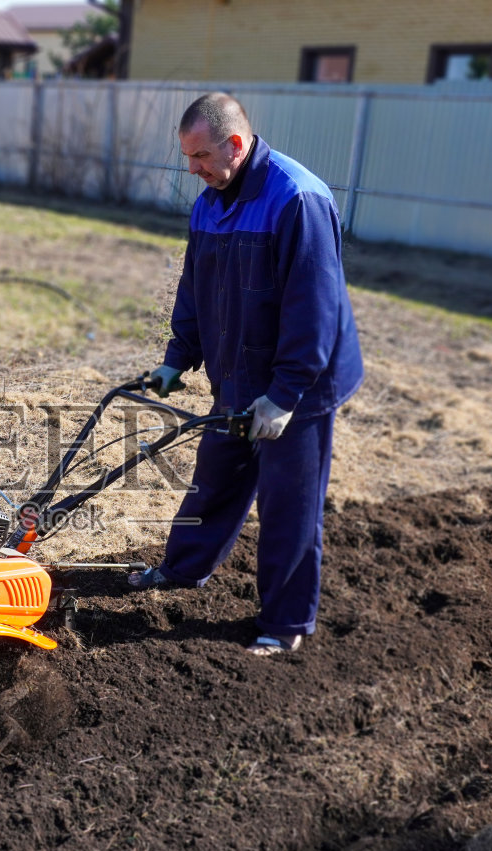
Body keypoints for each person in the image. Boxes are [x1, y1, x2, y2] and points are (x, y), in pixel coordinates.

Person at [130, 92, 364, 656]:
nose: (193, 169)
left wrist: (283, 397)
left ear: (235, 144)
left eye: (202, 156)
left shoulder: (297, 199)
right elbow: (196, 288)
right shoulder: (210, 201)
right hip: (239, 372)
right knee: (216, 475)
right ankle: (183, 571)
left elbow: (314, 311)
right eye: (188, 158)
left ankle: (285, 624)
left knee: (288, 503)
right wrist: (176, 356)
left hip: (300, 385)